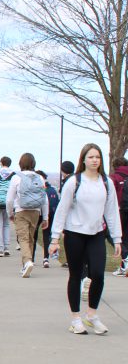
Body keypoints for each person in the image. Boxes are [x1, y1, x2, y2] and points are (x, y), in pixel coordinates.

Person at [49, 143, 122, 334]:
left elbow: (112, 211)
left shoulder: (106, 182)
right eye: (91, 157)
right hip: (74, 234)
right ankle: (75, 318)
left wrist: (117, 238)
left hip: (96, 234)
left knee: (98, 274)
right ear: (83, 159)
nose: (95, 160)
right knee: (75, 275)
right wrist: (55, 238)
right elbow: (62, 209)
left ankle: (92, 315)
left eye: (97, 157)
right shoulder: (74, 182)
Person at [7, 153, 49, 277]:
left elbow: (9, 199)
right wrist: (45, 217)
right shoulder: (39, 178)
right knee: (30, 237)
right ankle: (26, 265)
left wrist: (9, 213)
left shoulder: (16, 178)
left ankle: (27, 262)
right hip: (36, 211)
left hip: (21, 210)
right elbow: (44, 199)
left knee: (23, 238)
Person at [109, 156, 128, 276]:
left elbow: (111, 196)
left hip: (120, 211)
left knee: (117, 237)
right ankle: (124, 266)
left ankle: (125, 260)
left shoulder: (114, 177)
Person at [35, 171, 58, 268]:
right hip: (50, 213)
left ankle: (31, 258)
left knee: (34, 235)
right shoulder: (52, 189)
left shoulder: (37, 187)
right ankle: (46, 258)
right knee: (46, 235)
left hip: (38, 212)